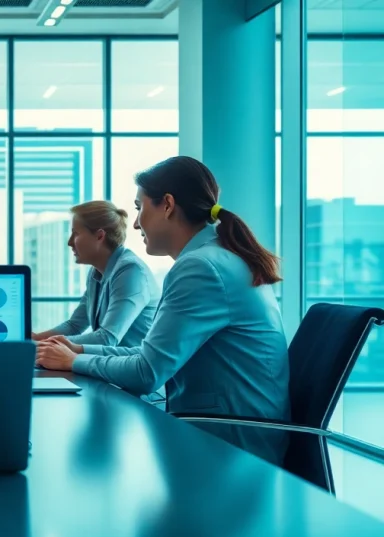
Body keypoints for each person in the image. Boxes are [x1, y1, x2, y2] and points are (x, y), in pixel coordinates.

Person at [36, 156, 289, 460]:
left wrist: (73, 362)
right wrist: (79, 353)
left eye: (140, 207)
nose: (137, 222)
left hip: (233, 444)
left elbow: (146, 372)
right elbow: (149, 354)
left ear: (167, 205)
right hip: (231, 430)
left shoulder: (201, 268)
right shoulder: (215, 258)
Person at [33, 201, 157, 348]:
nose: (70, 242)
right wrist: (34, 338)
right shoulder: (96, 272)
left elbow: (107, 338)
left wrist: (44, 344)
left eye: (76, 233)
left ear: (99, 236)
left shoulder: (131, 271)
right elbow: (75, 325)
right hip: (108, 365)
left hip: (131, 367)